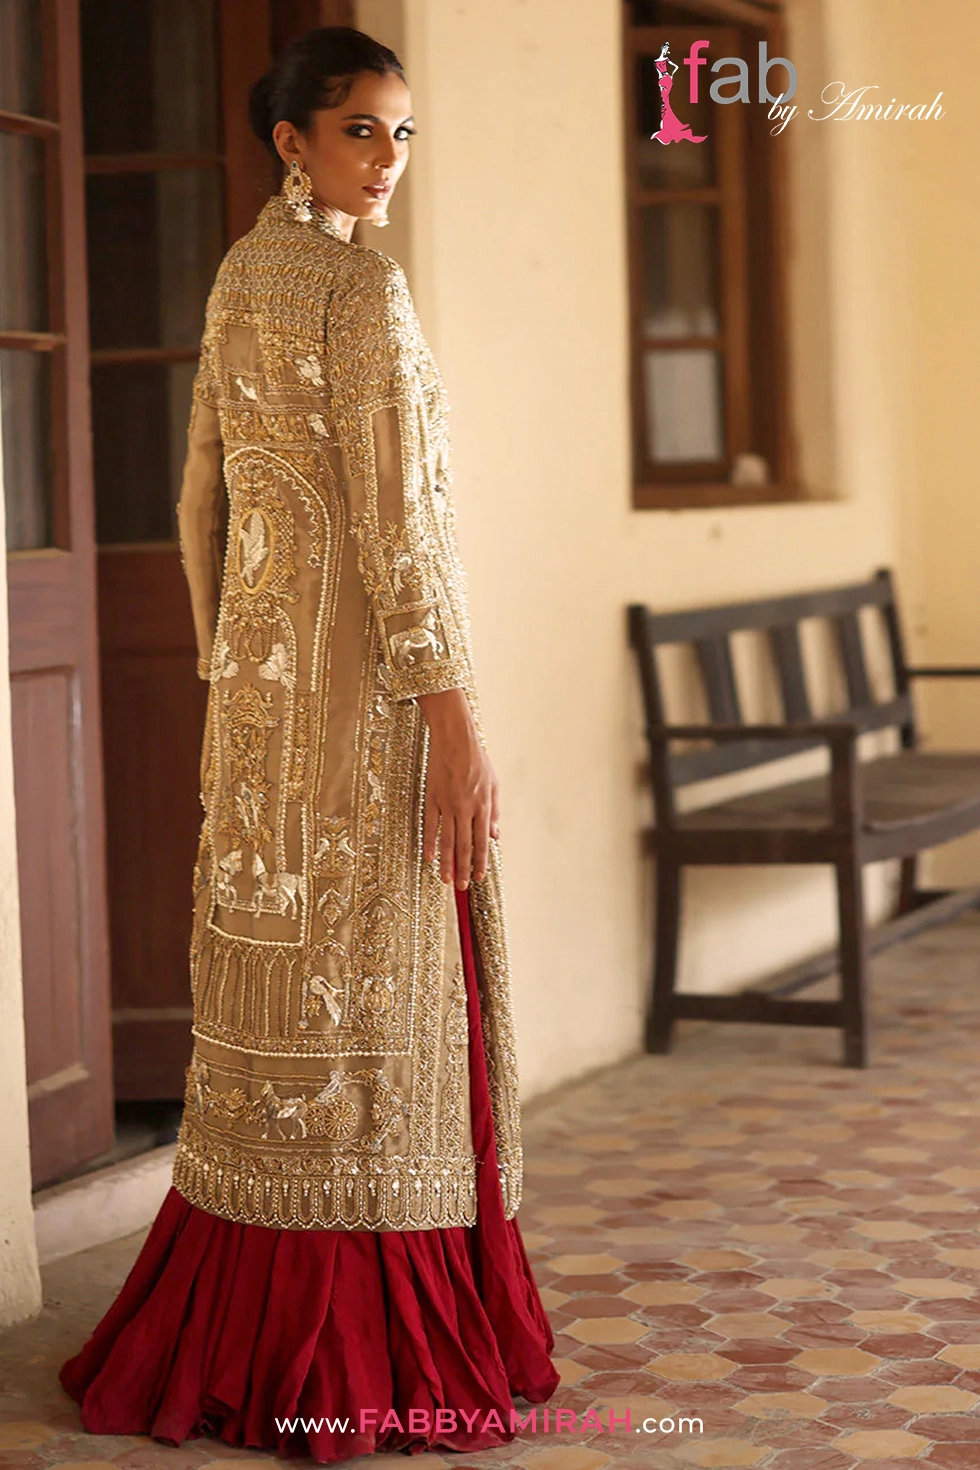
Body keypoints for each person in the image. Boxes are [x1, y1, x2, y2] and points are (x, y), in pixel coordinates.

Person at [58, 25, 559, 1463]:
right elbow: (403, 530)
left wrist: (236, 671)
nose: (388, 161)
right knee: (391, 1019)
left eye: (405, 134)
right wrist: (451, 713)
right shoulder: (358, 292)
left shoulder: (236, 279)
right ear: (293, 140)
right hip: (379, 707)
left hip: (268, 715)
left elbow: (197, 501)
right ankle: (369, 1341)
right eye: (361, 133)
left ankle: (247, 1326)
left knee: (284, 1009)